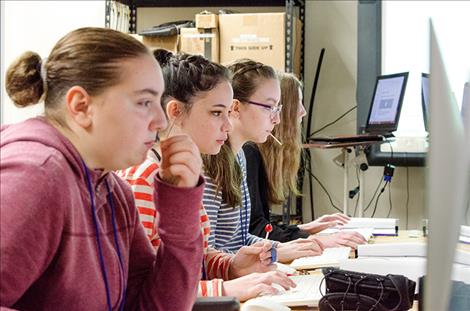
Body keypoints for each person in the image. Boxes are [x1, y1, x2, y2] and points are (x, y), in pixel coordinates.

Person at [0, 27, 203, 311]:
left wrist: (179, 214)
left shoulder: (113, 189)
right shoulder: (36, 176)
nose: (159, 120)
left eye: (158, 102)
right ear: (81, 106)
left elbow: (150, 306)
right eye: (144, 102)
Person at [118, 50, 295, 302]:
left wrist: (231, 266)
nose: (228, 124)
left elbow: (189, 262)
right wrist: (223, 290)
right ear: (175, 111)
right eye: (216, 112)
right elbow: (138, 290)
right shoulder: (144, 179)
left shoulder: (185, 171)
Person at [203, 59, 324, 263]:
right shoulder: (210, 165)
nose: (276, 119)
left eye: (278, 108)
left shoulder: (239, 156)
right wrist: (276, 253)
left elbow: (239, 241)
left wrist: (283, 246)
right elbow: (207, 258)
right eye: (269, 107)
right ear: (236, 107)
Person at [244, 72, 367, 249]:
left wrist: (306, 229)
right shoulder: (249, 153)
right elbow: (256, 232)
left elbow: (261, 227)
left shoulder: (256, 153)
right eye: (298, 103)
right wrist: (318, 241)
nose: (303, 111)